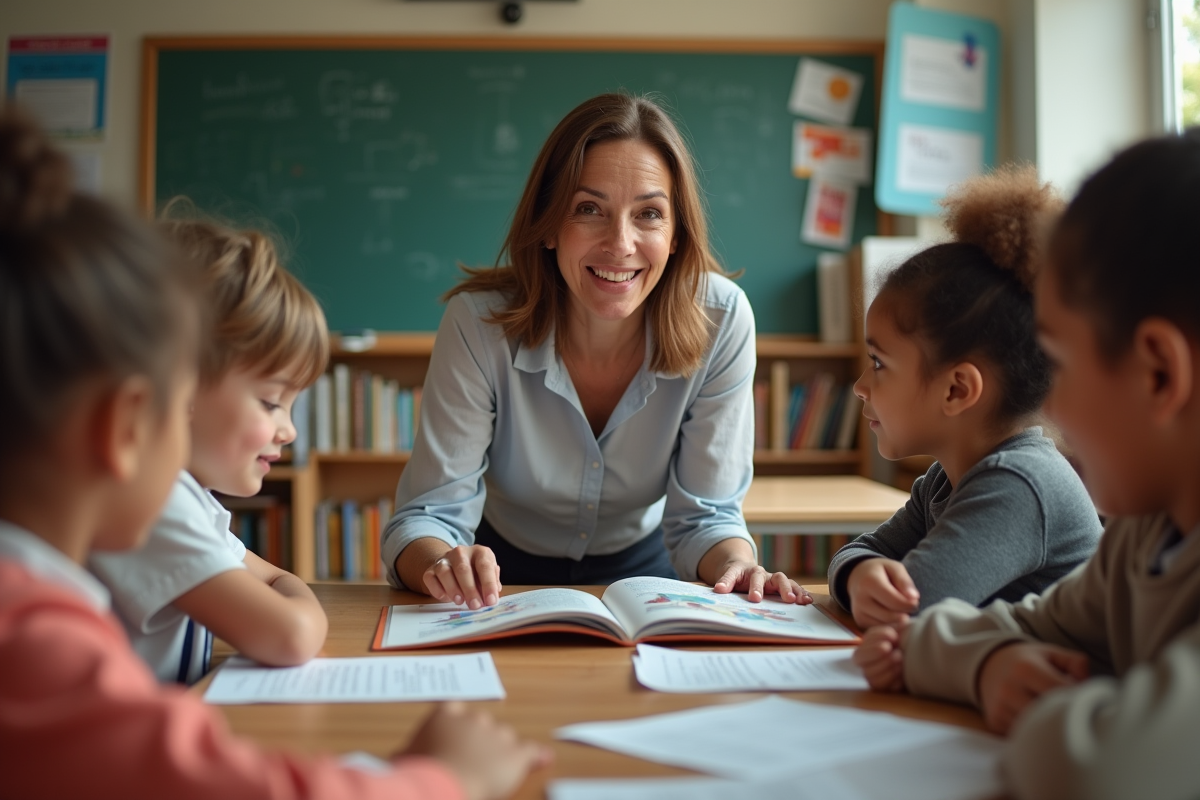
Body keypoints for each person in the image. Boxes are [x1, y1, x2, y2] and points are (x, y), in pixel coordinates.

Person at [0, 107, 547, 800]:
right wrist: (444, 777)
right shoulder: (34, 650)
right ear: (127, 425)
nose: (286, 429)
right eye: (174, 407)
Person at [853, 133, 1200, 800]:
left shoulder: (1031, 481)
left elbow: (1090, 769)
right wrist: (990, 665)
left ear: (1159, 373)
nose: (1052, 408)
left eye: (1062, 366)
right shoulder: (1146, 536)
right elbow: (1002, 629)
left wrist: (1060, 708)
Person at [383, 93, 809, 609]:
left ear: (675, 235)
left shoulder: (721, 320)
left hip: (646, 569)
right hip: (494, 576)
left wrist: (737, 568)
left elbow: (708, 517)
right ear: (547, 225)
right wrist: (440, 563)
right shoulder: (478, 325)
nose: (621, 243)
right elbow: (429, 515)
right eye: (589, 209)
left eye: (649, 213)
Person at [826, 166, 1101, 630]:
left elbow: (907, 612)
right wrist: (860, 573)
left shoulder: (1019, 483)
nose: (860, 385)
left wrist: (870, 588)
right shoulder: (945, 479)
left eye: (878, 364)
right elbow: (862, 552)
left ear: (956, 389)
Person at [89, 212, 330, 684]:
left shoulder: (185, 496)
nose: (289, 432)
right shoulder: (156, 505)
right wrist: (302, 606)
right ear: (180, 385)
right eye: (270, 403)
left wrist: (291, 594)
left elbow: (276, 580)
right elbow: (291, 636)